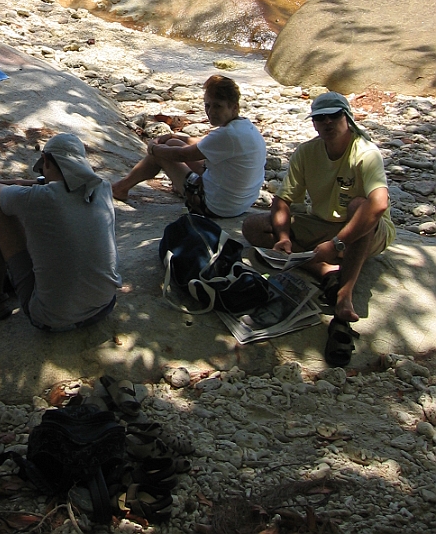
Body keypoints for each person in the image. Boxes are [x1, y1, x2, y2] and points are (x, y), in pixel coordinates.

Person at [242, 91, 394, 364]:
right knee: (253, 227)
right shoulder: (307, 151)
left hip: (367, 231)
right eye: (320, 118)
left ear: (347, 118)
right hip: (323, 223)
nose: (327, 123)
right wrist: (284, 237)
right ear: (313, 123)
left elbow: (379, 205)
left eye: (334, 116)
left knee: (361, 207)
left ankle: (344, 295)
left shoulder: (365, 152)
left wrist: (337, 244)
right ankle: (325, 271)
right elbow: (283, 199)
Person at [0, 133, 121, 331]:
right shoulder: (103, 188)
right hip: (105, 305)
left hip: (53, 319)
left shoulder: (38, 198)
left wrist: (32, 183)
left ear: (45, 161)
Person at [112, 75, 267, 218]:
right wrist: (174, 136)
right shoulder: (244, 127)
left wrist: (154, 148)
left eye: (218, 106)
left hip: (214, 207)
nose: (211, 112)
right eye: (208, 105)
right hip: (239, 204)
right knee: (172, 143)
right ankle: (177, 184)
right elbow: (203, 144)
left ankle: (121, 188)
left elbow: (182, 155)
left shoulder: (228, 135)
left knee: (161, 155)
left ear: (234, 107)